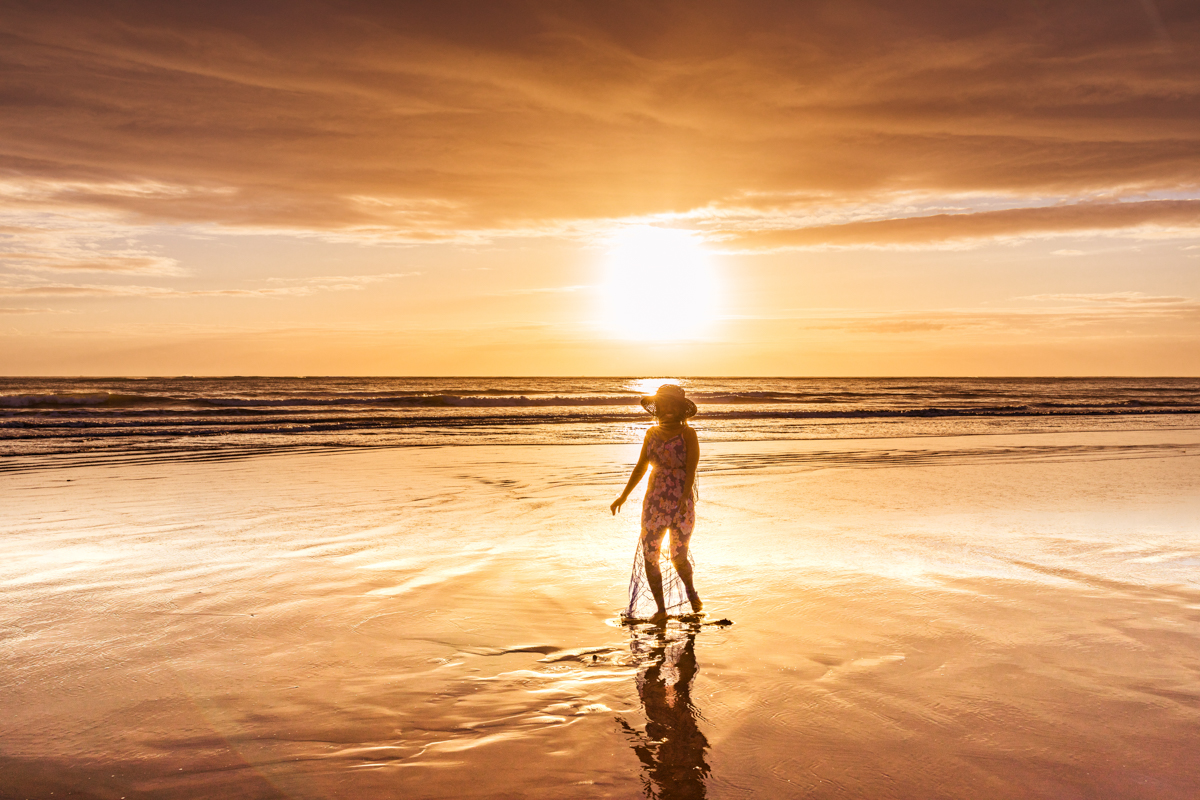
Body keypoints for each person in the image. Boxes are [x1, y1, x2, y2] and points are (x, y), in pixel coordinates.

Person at [611, 384, 702, 622]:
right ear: (658, 408)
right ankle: (661, 610)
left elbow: (691, 470)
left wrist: (683, 498)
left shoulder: (689, 434)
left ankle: (691, 593)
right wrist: (624, 495)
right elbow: (641, 466)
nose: (669, 409)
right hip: (653, 502)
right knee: (650, 555)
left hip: (681, 503)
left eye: (674, 405)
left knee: (678, 556)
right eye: (665, 404)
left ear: (681, 410)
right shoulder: (650, 434)